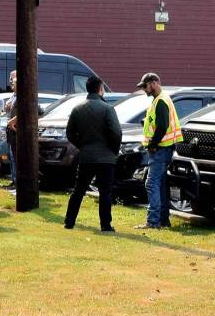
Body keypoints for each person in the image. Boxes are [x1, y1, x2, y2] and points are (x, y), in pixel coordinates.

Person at [63, 76, 121, 231]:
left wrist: (82, 145)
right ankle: (105, 225)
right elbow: (116, 132)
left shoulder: (77, 109)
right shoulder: (108, 108)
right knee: (105, 192)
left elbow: (69, 133)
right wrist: (113, 150)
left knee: (79, 190)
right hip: (106, 157)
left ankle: (69, 221)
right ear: (100, 89)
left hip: (86, 156)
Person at [134, 72, 183, 230]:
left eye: (145, 86)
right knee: (159, 185)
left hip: (160, 149)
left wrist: (153, 144)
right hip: (163, 149)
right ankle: (162, 220)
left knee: (151, 184)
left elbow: (162, 127)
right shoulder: (159, 100)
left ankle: (153, 221)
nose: (144, 90)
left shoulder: (161, 100)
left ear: (154, 83)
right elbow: (157, 123)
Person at [5, 70, 19, 191]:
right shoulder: (13, 96)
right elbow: (8, 109)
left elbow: (23, 112)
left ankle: (17, 182)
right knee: (12, 156)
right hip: (11, 132)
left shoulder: (22, 97)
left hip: (17, 132)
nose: (11, 85)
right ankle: (14, 180)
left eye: (13, 83)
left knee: (15, 157)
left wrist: (12, 121)